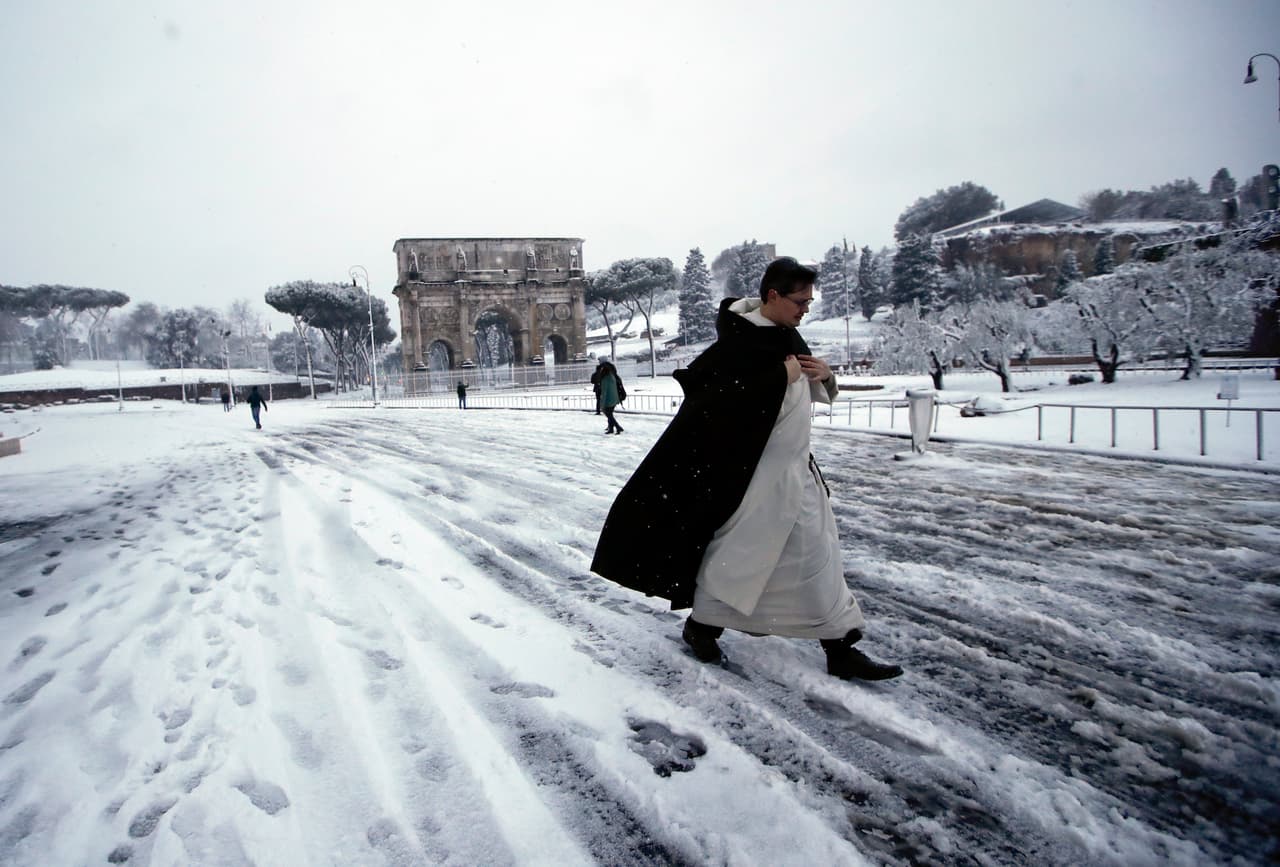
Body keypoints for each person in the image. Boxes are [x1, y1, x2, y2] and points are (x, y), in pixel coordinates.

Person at [591, 257, 902, 681]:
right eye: (799, 301)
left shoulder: (788, 335)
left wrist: (824, 376)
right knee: (740, 561)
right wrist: (781, 374)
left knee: (819, 556)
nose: (805, 309)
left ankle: (840, 648)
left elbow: (804, 391)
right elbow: (715, 400)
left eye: (809, 302)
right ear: (772, 295)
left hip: (798, 472)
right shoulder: (737, 343)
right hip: (751, 478)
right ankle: (702, 627)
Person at [598, 361, 624, 435]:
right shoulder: (612, 376)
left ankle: (618, 427)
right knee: (610, 414)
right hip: (615, 399)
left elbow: (604, 392)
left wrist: (602, 404)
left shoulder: (605, 379)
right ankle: (611, 429)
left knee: (609, 415)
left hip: (609, 400)